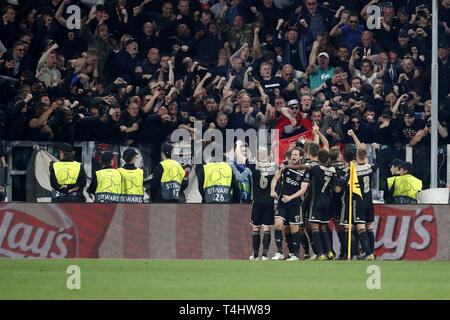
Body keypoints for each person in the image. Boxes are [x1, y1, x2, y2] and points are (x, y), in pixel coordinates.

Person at [282, 148, 337, 261]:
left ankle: (320, 253)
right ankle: (330, 252)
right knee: (324, 228)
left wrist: (287, 167)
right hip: (328, 202)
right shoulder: (332, 170)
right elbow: (334, 187)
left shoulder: (315, 168)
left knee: (315, 228)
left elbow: (302, 167)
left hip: (316, 201)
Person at [270, 147, 309, 261]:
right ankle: (279, 253)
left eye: (296, 155)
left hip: (295, 203)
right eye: (292, 154)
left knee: (294, 229)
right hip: (282, 202)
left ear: (301, 157)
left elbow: (303, 189)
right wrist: (272, 190)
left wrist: (290, 197)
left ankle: (296, 255)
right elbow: (275, 178)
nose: (293, 157)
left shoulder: (305, 170)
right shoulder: (285, 166)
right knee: (277, 224)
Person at [248, 147, 278, 261]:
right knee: (267, 228)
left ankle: (255, 255)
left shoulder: (255, 166)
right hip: (269, 201)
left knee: (256, 228)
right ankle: (265, 255)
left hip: (257, 201)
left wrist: (238, 145)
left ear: (258, 157)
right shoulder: (274, 167)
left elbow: (241, 158)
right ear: (269, 156)